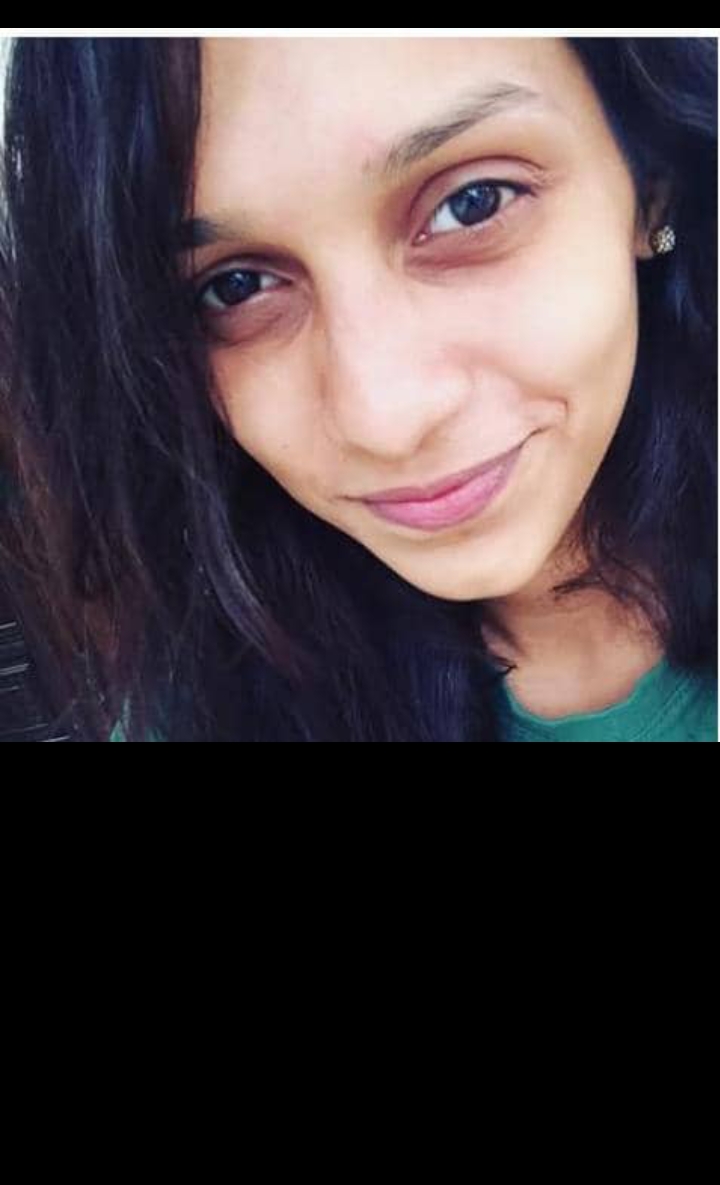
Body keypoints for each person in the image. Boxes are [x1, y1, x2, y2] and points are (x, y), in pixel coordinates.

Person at [0, 36, 716, 742]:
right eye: (237, 286)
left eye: (472, 204)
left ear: (649, 187)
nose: (384, 420)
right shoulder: (205, 713)